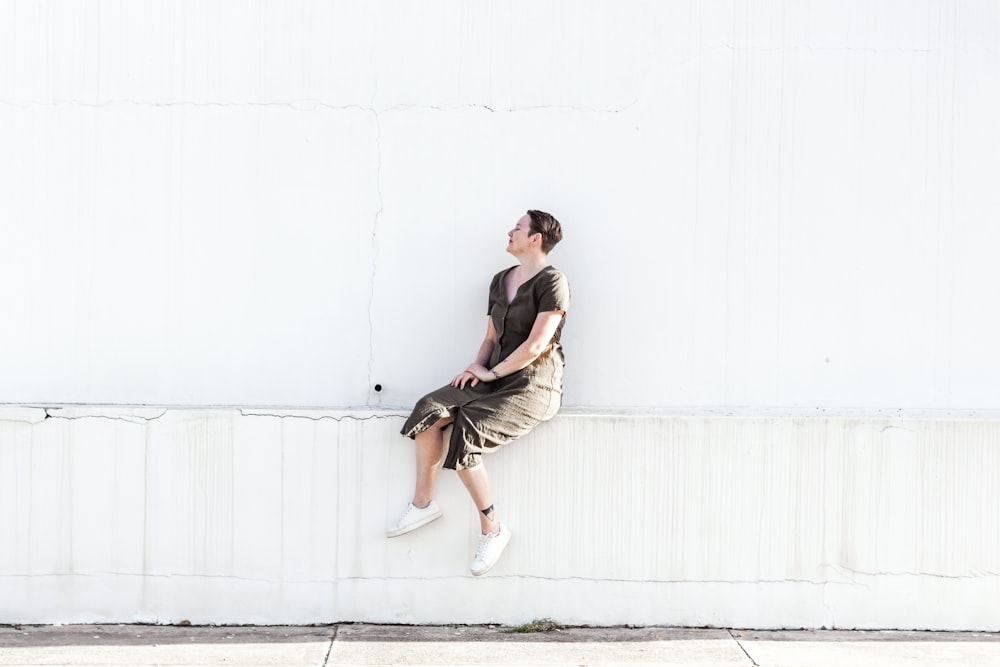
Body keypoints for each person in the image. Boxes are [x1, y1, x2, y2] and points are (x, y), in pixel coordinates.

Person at [389, 209, 570, 577]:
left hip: (534, 384)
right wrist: (475, 369)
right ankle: (423, 504)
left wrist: (492, 372)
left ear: (535, 238)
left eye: (517, 228)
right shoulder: (500, 280)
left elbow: (536, 346)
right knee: (431, 408)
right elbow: (490, 338)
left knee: (467, 427)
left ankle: (493, 528)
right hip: (494, 375)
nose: (510, 232)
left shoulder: (553, 282)